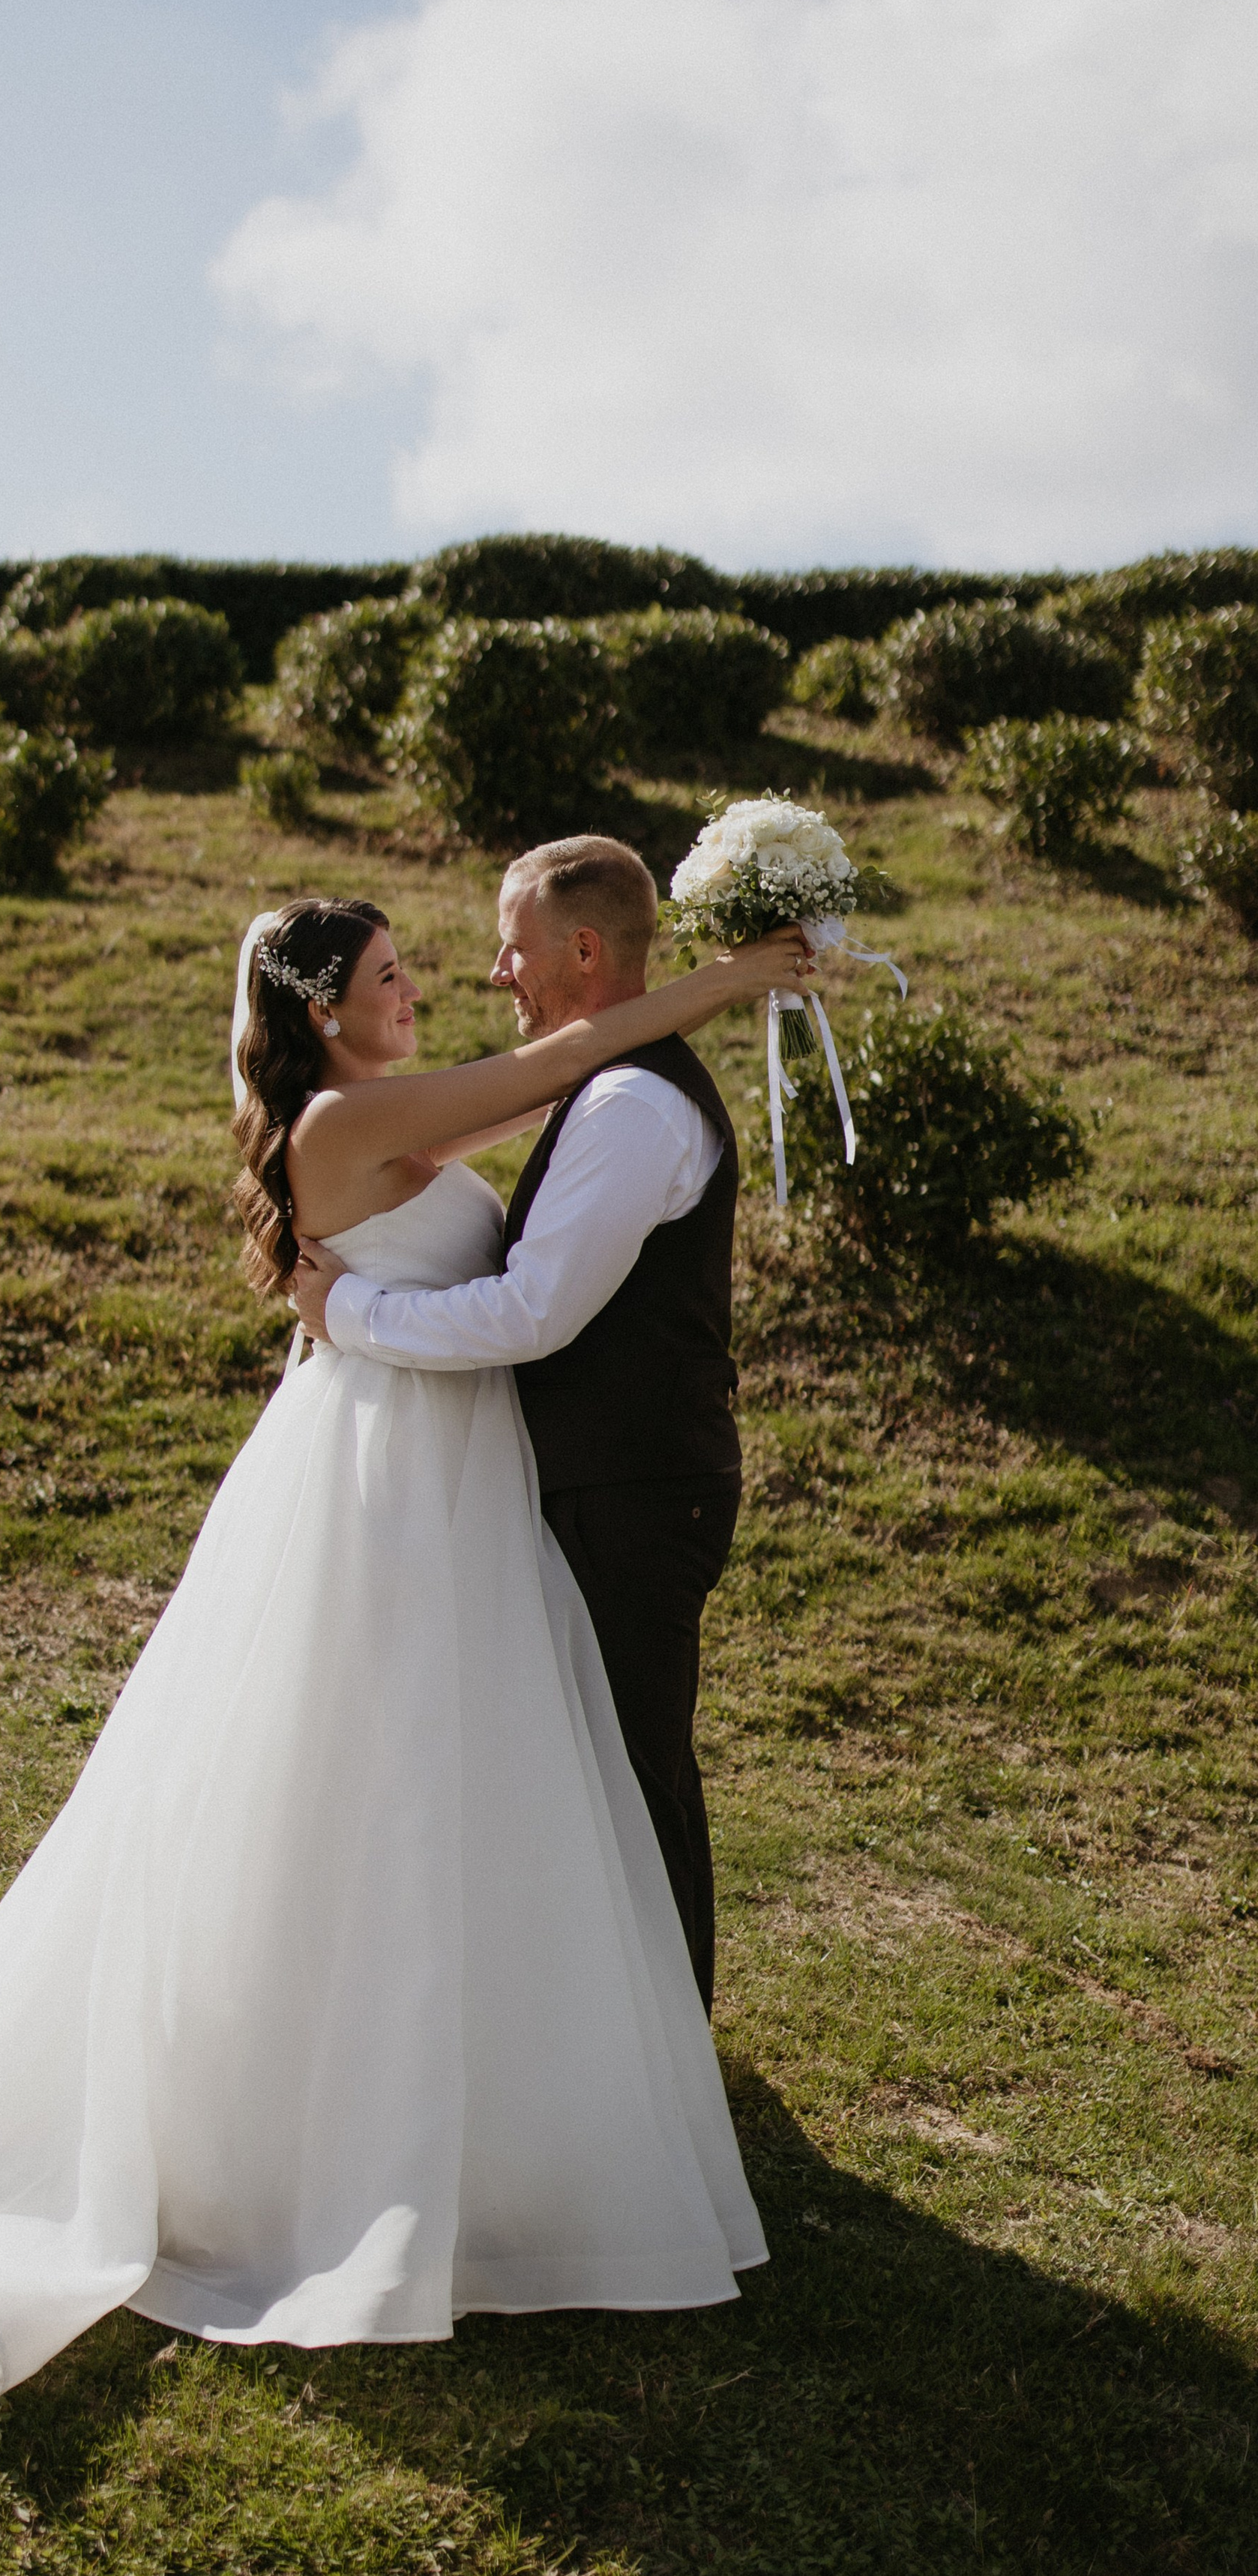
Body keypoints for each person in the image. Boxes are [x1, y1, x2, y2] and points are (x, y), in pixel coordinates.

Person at [0, 887, 809, 2397]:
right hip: (390, 1477)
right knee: (361, 1785)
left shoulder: (382, 1112)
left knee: (451, 1783)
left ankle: (496, 2094)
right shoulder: (339, 1125)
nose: (422, 984)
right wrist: (736, 978)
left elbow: (554, 1093)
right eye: (389, 973)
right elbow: (585, 1044)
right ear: (326, 1010)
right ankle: (311, 2126)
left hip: (442, 1465)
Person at [292, 836, 760, 2012]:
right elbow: (532, 1085)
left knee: (633, 1768)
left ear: (585, 950)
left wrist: (346, 1307)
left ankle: (661, 2044)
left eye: (515, 946)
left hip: (630, 1488)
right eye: (389, 973)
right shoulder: (594, 1086)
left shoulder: (631, 1109)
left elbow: (532, 1313)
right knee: (584, 1769)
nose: (492, 972)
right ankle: (611, 2035)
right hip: (541, 1479)